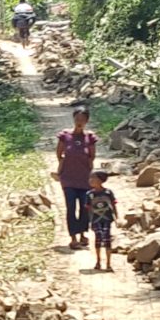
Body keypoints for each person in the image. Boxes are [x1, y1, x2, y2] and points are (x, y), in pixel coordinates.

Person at [53, 103, 98, 249]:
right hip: (68, 178)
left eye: (83, 119)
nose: (79, 122)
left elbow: (92, 157)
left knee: (85, 207)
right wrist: (63, 167)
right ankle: (73, 237)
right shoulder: (65, 136)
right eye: (77, 118)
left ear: (87, 121)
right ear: (73, 119)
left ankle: (83, 234)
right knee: (71, 207)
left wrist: (92, 177)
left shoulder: (90, 138)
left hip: (85, 178)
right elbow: (59, 153)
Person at [87, 168, 118, 271]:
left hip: (107, 219)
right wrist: (90, 220)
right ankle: (98, 261)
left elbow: (113, 205)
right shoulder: (89, 194)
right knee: (98, 239)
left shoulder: (108, 193)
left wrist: (116, 217)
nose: (90, 180)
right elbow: (88, 208)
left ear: (101, 180)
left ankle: (109, 263)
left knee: (107, 239)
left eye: (93, 178)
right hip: (96, 220)